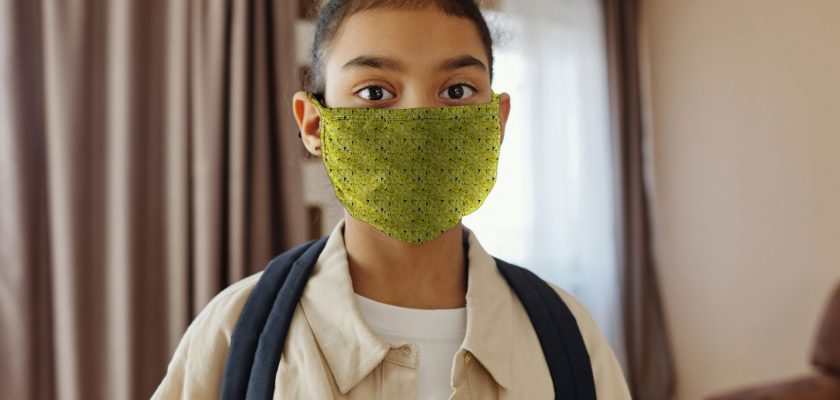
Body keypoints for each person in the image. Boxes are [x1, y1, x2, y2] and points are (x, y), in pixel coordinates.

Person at [152, 1, 631, 399]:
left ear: (497, 120)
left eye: (456, 90)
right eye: (375, 91)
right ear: (315, 124)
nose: (420, 121)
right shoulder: (236, 332)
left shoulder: (567, 338)